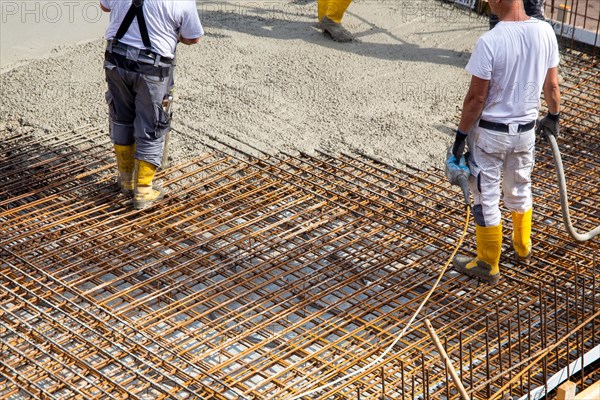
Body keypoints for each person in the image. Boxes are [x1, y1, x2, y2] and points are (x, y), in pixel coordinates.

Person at [449, 0, 561, 284]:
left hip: (491, 134)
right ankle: (523, 248)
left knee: (485, 195)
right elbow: (552, 86)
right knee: (520, 186)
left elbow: (476, 99)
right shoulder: (545, 32)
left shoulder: (490, 41)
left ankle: (488, 262)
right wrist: (554, 116)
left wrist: (460, 139)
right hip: (525, 132)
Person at [100, 0, 203, 210]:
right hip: (152, 69)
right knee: (151, 126)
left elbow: (105, 6)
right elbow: (193, 37)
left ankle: (126, 181)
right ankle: (144, 190)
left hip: (116, 60)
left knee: (121, 118)